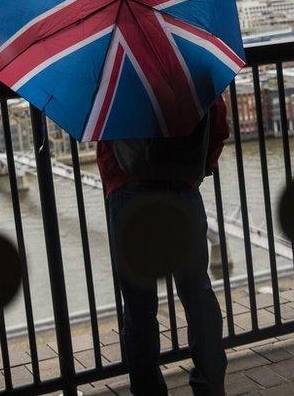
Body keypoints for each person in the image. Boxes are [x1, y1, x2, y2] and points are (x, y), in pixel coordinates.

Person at [96, 97, 229, 395]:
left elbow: (102, 138)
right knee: (197, 293)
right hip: (182, 190)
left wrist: (114, 182)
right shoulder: (189, 63)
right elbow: (218, 123)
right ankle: (210, 385)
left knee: (139, 307)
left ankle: (148, 390)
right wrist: (199, 168)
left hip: (129, 195)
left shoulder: (112, 73)